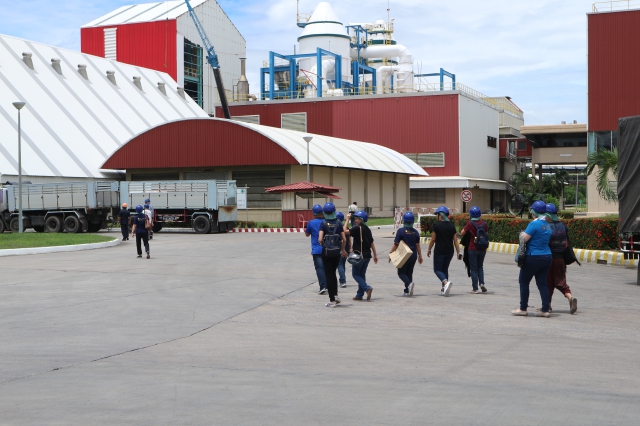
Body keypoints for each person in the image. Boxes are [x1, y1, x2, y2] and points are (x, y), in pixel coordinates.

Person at [512, 201, 553, 317]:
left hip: (533, 256)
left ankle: (523, 308)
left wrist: (521, 233)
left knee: (524, 282)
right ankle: (545, 310)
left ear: (533, 212)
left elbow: (524, 239)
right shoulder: (547, 225)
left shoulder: (534, 224)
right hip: (547, 256)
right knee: (542, 283)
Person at [545, 203, 578, 314]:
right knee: (561, 282)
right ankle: (570, 297)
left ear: (548, 215)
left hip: (549, 258)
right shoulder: (562, 226)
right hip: (560, 259)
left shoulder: (546, 227)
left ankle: (548, 305)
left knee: (548, 282)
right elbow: (566, 244)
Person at [318, 203, 348, 307]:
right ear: (334, 211)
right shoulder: (339, 223)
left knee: (329, 275)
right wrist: (342, 249)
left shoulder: (323, 223)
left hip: (326, 252)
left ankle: (332, 300)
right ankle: (335, 295)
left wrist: (324, 245)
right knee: (333, 273)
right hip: (336, 252)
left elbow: (320, 239)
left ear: (324, 212)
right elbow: (344, 239)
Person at [427, 206, 461, 297]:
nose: (436, 216)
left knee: (437, 270)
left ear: (441, 215)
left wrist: (429, 249)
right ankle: (444, 288)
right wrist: (458, 251)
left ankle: (445, 282)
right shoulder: (451, 226)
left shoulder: (437, 226)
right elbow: (455, 240)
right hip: (450, 251)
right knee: (445, 269)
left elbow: (433, 240)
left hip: (439, 251)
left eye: (437, 215)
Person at [389, 211, 422, 297]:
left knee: (401, 273)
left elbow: (396, 244)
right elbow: (417, 245)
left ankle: (408, 284)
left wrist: (391, 253)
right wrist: (420, 256)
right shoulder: (416, 232)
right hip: (413, 255)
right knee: (409, 273)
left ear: (404, 220)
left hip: (404, 255)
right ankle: (407, 290)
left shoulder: (401, 231)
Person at [349, 210, 378, 301]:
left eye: (357, 219)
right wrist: (375, 255)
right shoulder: (367, 229)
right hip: (367, 256)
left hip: (359, 256)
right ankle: (359, 295)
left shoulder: (357, 228)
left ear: (361, 219)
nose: (355, 220)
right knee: (361, 275)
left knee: (355, 274)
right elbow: (371, 243)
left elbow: (345, 231)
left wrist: (347, 220)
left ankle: (367, 288)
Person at [460, 206, 488, 294]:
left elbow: (462, 233)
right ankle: (482, 283)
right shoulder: (484, 224)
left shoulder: (470, 224)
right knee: (480, 266)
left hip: (472, 248)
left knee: (473, 268)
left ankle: (475, 289)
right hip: (482, 248)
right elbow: (486, 234)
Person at [305, 204, 328, 294]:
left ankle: (323, 286)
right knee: (327, 268)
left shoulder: (311, 223)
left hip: (317, 249)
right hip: (327, 249)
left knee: (319, 268)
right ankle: (329, 285)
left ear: (313, 213)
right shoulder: (326, 222)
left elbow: (307, 234)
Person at [336, 211, 350, 288]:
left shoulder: (337, 226)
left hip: (340, 248)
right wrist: (350, 247)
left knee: (340, 265)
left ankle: (342, 280)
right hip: (346, 248)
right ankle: (343, 279)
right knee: (342, 264)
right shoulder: (346, 226)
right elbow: (349, 239)